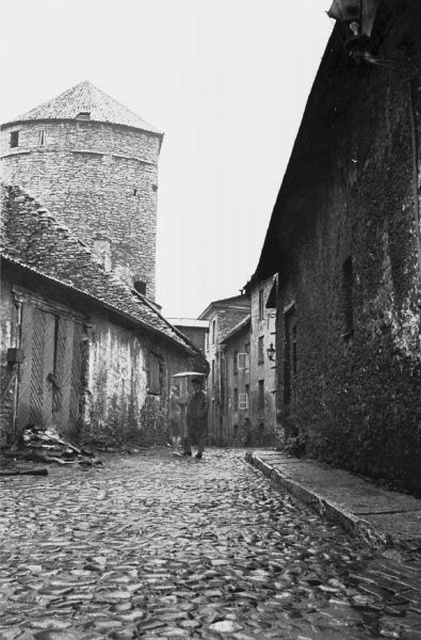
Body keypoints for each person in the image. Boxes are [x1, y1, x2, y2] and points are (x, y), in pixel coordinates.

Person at [182, 377, 209, 459]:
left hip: (200, 420)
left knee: (201, 436)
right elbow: (190, 406)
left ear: (200, 386)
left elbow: (206, 406)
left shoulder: (204, 395)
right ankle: (188, 451)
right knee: (188, 435)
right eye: (193, 385)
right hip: (192, 419)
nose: (194, 387)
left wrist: (200, 414)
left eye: (196, 385)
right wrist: (188, 415)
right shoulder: (193, 395)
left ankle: (200, 452)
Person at [169, 384, 185, 456]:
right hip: (178, 416)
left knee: (173, 434)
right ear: (177, 391)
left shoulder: (171, 398)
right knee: (179, 434)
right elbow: (184, 403)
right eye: (178, 390)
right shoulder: (178, 398)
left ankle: (173, 450)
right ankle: (176, 449)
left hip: (171, 416)